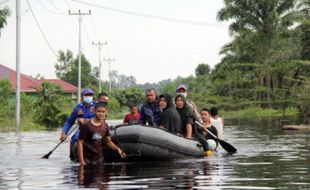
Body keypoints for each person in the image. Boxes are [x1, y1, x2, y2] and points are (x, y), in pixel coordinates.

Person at [59, 88, 96, 160]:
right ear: (82, 96)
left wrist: (86, 121)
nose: (89, 97)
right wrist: (64, 133)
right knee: (74, 139)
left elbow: (102, 118)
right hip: (82, 129)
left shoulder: (96, 106)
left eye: (90, 95)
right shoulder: (77, 108)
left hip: (95, 128)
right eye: (87, 95)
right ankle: (72, 157)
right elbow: (69, 121)